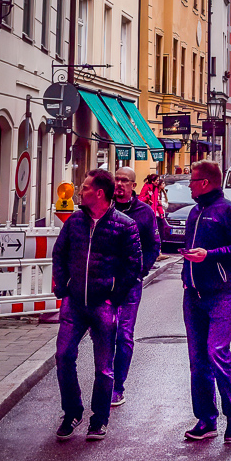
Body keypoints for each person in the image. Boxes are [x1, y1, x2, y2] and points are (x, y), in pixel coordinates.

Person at [51, 169, 142, 441]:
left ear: (99, 193)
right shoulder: (75, 222)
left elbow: (133, 267)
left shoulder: (125, 225)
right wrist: (63, 287)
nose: (81, 190)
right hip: (74, 302)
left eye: (86, 187)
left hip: (103, 304)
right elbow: (59, 253)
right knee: (64, 356)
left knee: (103, 366)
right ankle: (72, 412)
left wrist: (113, 296)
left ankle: (99, 419)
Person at [180, 160, 231, 443]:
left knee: (217, 352)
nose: (189, 184)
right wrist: (187, 275)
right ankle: (206, 419)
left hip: (223, 292)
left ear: (206, 182)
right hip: (193, 294)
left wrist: (209, 254)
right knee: (197, 361)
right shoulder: (194, 212)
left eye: (192, 179)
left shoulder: (228, 211)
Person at [111, 167, 162, 406]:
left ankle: (117, 386)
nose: (119, 184)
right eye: (117, 179)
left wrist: (141, 271)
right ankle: (104, 380)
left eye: (124, 180)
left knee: (124, 334)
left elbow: (154, 245)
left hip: (131, 283)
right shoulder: (104, 208)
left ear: (133, 185)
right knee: (104, 334)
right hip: (104, 282)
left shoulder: (143, 212)